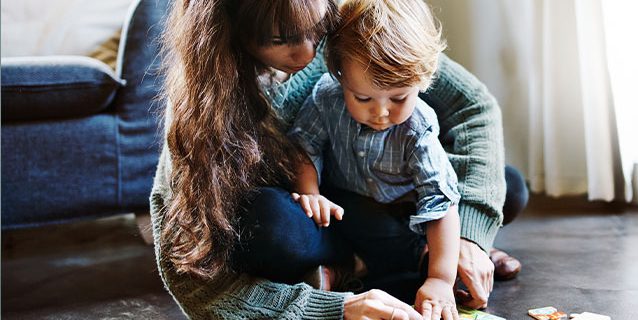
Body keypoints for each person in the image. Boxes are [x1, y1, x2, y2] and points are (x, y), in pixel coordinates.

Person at [150, 0, 527, 318]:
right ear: (229, 27)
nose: (309, 53)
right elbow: (195, 283)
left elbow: (472, 107)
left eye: (317, 30)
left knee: (505, 185)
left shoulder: (354, 21)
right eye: (280, 39)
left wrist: (469, 236)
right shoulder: (200, 106)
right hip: (325, 214)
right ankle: (361, 265)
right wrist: (334, 309)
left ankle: (429, 255)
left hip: (400, 192)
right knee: (268, 224)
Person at [287, 0, 460, 318]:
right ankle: (384, 262)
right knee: (330, 217)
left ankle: (434, 260)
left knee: (509, 190)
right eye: (363, 98)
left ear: (422, 81)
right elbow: (304, 145)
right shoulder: (327, 97)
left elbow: (440, 204)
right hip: (347, 207)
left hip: (404, 213)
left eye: (398, 98)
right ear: (339, 76)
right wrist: (310, 192)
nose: (381, 112)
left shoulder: (417, 126)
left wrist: (440, 279)